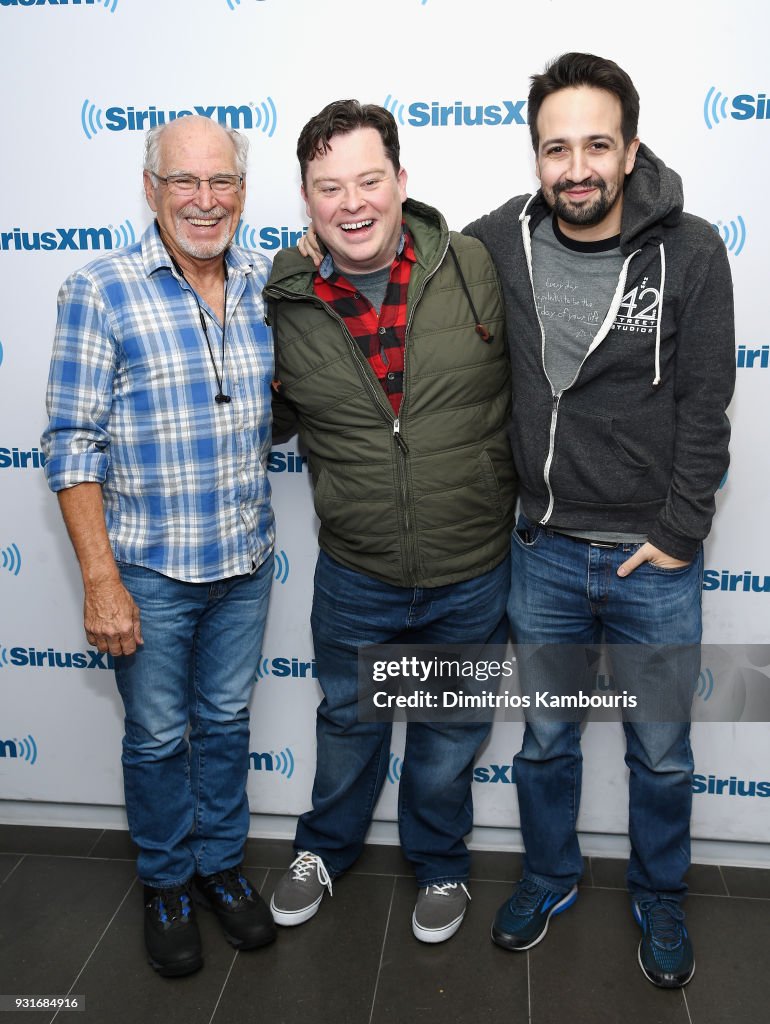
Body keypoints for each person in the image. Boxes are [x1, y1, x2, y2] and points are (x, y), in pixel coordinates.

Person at [463, 53, 735, 987]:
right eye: (555, 148)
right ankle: (549, 875)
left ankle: (661, 892)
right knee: (545, 742)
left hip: (651, 559)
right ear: (535, 155)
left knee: (661, 750)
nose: (575, 167)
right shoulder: (501, 241)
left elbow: (707, 403)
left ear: (627, 150)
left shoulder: (691, 248)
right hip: (541, 552)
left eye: (595, 145)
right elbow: (411, 265)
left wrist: (681, 528)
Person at [263, 100, 517, 944]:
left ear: (402, 182)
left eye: (369, 179)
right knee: (348, 722)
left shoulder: (480, 264)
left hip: (470, 565)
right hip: (358, 570)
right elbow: (253, 420)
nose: (352, 202)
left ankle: (441, 864)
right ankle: (323, 851)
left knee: (448, 733)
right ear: (306, 200)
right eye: (328, 187)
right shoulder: (283, 297)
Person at [42, 115, 277, 977]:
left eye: (221, 183)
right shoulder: (98, 287)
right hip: (148, 568)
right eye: (185, 182)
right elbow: (71, 443)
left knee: (224, 724)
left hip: (246, 562)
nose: (204, 201)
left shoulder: (267, 282)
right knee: (155, 737)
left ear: (243, 195)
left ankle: (220, 868)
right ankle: (166, 881)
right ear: (151, 190)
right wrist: (100, 580)